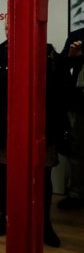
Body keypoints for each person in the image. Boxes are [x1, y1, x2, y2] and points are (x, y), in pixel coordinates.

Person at [0, 21, 66, 247]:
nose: (12, 30)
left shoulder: (48, 54)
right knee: (6, 174)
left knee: (43, 177)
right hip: (5, 129)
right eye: (9, 28)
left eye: (16, 26)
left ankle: (44, 224)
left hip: (42, 129)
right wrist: (2, 114)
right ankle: (4, 219)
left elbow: (60, 91)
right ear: (6, 30)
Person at [58, 28, 84, 210]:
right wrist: (72, 55)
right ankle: (76, 194)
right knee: (76, 151)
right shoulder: (78, 36)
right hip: (79, 104)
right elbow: (61, 66)